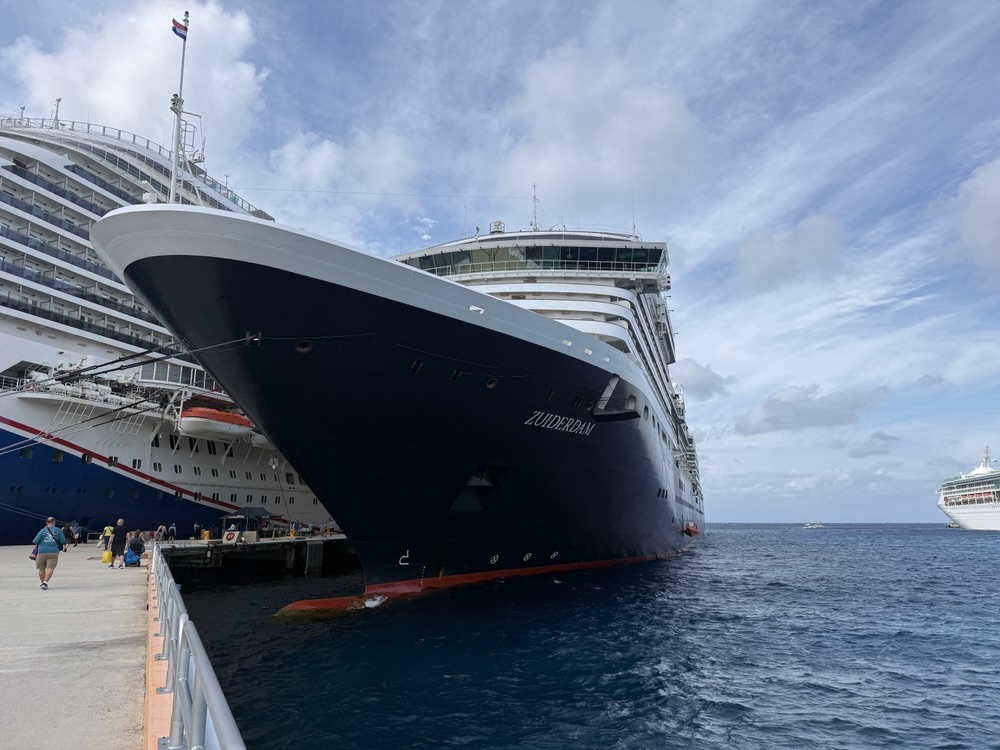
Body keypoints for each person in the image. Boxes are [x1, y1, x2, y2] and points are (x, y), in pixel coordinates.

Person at [32, 517, 67, 589]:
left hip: (41, 551)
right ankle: (45, 583)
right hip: (53, 551)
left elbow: (35, 541)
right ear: (54, 522)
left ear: (46, 523)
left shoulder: (42, 530)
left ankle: (43, 583)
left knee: (41, 569)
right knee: (50, 568)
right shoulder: (58, 530)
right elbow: (63, 541)